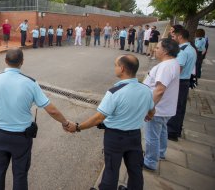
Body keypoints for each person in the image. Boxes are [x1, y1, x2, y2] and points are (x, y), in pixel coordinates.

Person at [0, 48, 72, 190]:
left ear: (5, 61)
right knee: (20, 175)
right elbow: (52, 110)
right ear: (22, 62)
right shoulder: (30, 83)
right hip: (21, 138)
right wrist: (65, 123)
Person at [66, 55, 154, 190]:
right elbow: (151, 112)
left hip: (115, 138)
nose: (115, 68)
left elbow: (98, 118)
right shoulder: (146, 90)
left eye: (115, 65)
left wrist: (78, 127)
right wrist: (142, 116)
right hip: (135, 136)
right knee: (135, 170)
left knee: (111, 170)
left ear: (122, 68)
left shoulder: (115, 92)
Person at [143, 38, 180, 171]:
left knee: (151, 136)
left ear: (165, 51)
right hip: (166, 108)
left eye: (158, 48)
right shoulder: (173, 63)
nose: (155, 49)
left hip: (158, 109)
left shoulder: (165, 66)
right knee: (162, 131)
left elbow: (159, 90)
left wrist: (150, 108)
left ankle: (150, 161)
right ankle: (160, 153)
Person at [167, 28, 197, 142]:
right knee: (180, 107)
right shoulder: (191, 49)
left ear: (180, 37)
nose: (173, 38)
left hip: (179, 81)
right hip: (185, 81)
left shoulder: (183, 51)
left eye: (174, 37)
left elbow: (177, 70)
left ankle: (171, 132)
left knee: (175, 107)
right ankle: (176, 130)